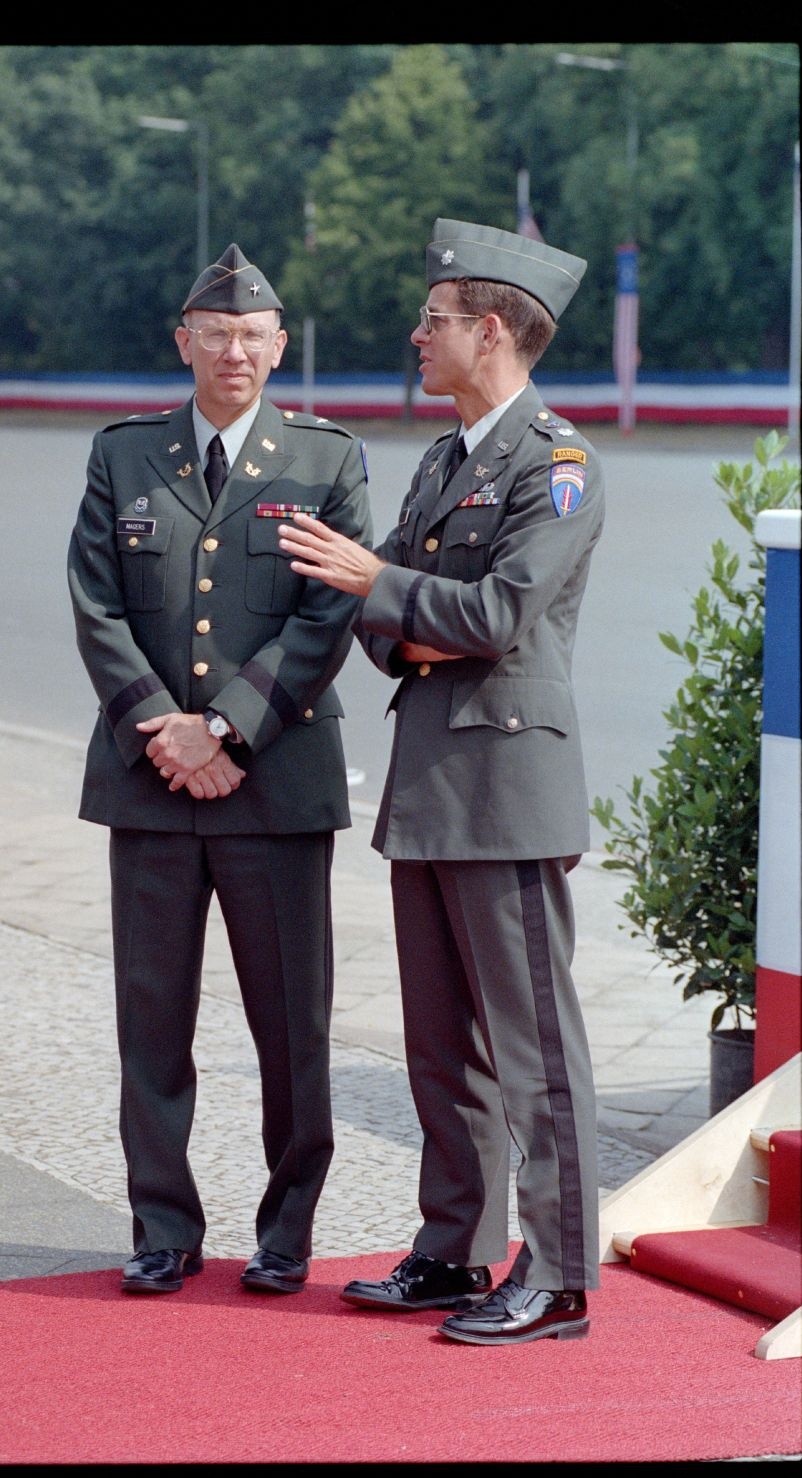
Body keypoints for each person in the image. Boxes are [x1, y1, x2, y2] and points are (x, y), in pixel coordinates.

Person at [277, 218, 604, 1345]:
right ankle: (455, 1252)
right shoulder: (443, 459)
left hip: (508, 783)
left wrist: (386, 587)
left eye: (435, 319)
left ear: (496, 330)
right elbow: (401, 626)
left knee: (533, 1048)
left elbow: (502, 616)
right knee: (441, 1047)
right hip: (430, 781)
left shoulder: (558, 464)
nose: (417, 335)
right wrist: (403, 608)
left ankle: (558, 1274)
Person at [68, 243, 371, 1297]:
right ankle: (162, 1226)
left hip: (275, 783)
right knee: (151, 1022)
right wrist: (164, 726)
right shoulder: (124, 456)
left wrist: (228, 730)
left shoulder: (326, 461)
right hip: (150, 783)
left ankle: (287, 1229)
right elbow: (96, 605)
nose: (234, 350)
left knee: (292, 1023)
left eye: (254, 335)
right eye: (216, 332)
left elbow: (327, 617)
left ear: (279, 348)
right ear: (183, 340)